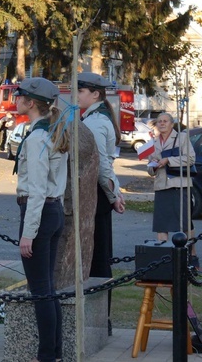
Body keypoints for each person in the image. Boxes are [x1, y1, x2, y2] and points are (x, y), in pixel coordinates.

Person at [13, 77, 69, 362]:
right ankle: (54, 354)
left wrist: (28, 233)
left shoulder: (37, 138)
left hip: (40, 212)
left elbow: (35, 190)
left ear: (31, 103)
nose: (16, 99)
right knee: (48, 289)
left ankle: (46, 356)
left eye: (19, 95)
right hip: (53, 210)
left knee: (41, 292)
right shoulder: (53, 131)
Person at [76, 72, 125, 278]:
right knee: (95, 254)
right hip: (96, 190)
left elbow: (100, 164)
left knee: (96, 257)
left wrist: (113, 195)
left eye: (80, 91)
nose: (76, 95)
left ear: (95, 94)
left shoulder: (95, 121)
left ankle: (98, 306)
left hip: (95, 191)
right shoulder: (94, 117)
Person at [147, 112, 198, 267]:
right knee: (161, 225)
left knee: (184, 225)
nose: (161, 123)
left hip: (179, 186)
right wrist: (153, 166)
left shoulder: (181, 138)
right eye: (159, 121)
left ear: (171, 124)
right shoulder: (153, 142)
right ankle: (164, 261)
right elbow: (149, 169)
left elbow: (190, 159)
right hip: (161, 187)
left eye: (165, 121)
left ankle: (192, 257)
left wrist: (168, 160)